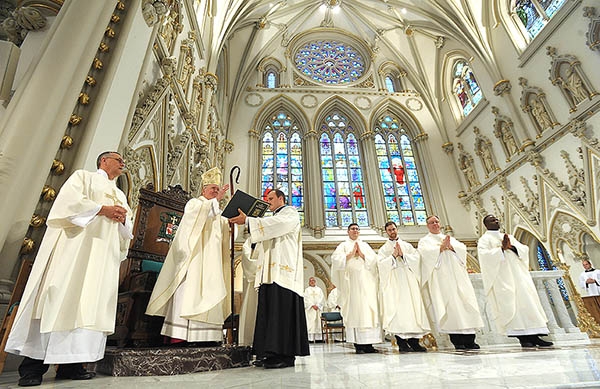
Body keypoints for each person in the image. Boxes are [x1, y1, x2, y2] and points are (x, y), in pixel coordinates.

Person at [5, 151, 133, 387]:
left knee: (87, 307)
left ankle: (72, 365)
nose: (121, 162)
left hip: (102, 257)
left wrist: (124, 219)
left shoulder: (120, 194)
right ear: (103, 161)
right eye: (117, 158)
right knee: (57, 300)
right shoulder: (83, 177)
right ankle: (32, 368)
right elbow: (67, 205)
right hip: (74, 252)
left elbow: (128, 229)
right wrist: (102, 210)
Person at [146, 167, 230, 343]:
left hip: (210, 262)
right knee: (188, 292)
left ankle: (206, 337)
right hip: (194, 259)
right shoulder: (195, 204)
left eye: (217, 188)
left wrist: (232, 223)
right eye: (212, 188)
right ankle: (180, 336)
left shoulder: (215, 210)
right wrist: (217, 201)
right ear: (203, 190)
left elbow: (223, 226)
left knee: (209, 291)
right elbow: (200, 215)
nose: (215, 191)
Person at [229, 189, 309, 368]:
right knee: (269, 313)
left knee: (281, 313)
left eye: (271, 198)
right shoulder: (270, 219)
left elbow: (277, 225)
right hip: (268, 273)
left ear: (281, 198)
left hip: (283, 272)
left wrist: (249, 221)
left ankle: (285, 356)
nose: (268, 201)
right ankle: (268, 353)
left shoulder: (290, 212)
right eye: (266, 199)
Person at [478, 215, 553, 348]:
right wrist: (501, 249)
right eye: (492, 220)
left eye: (496, 219)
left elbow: (524, 249)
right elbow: (484, 257)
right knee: (513, 307)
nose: (496, 221)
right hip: (503, 279)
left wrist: (511, 247)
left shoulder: (509, 236)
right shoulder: (484, 240)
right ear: (486, 224)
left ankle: (535, 336)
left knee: (528, 304)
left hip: (518, 276)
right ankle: (523, 339)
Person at [418, 215, 483, 350]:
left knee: (465, 305)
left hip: (458, 279)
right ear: (427, 226)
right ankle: (457, 341)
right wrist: (439, 248)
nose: (435, 224)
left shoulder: (451, 239)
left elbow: (462, 249)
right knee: (450, 308)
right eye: (431, 222)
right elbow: (424, 255)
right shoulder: (425, 241)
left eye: (436, 221)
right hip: (442, 281)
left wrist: (452, 248)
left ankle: (470, 340)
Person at [378, 221, 429, 352]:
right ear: (386, 232)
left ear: (397, 229)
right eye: (389, 230)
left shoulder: (407, 245)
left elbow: (417, 259)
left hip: (408, 280)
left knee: (413, 309)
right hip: (394, 282)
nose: (392, 232)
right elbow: (380, 265)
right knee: (397, 309)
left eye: (393, 229)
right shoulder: (384, 249)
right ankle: (401, 343)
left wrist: (404, 256)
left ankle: (415, 342)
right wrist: (393, 257)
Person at [331, 223, 382, 354]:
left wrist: (362, 254)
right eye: (353, 229)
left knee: (368, 310)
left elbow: (375, 260)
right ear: (348, 231)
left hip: (367, 282)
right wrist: (350, 255)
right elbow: (335, 260)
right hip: (351, 284)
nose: (355, 231)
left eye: (357, 229)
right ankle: (358, 345)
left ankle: (369, 344)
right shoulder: (343, 245)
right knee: (356, 310)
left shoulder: (365, 245)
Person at [239, 237, 259, 346]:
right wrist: (260, 267)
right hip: (254, 281)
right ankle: (250, 342)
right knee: (252, 309)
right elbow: (246, 256)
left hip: (270, 279)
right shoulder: (251, 240)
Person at [303, 277, 325, 342]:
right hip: (310, 309)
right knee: (311, 323)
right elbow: (306, 299)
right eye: (310, 281)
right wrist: (312, 305)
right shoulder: (307, 290)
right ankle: (310, 339)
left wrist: (318, 305)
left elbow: (322, 298)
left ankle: (319, 338)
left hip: (317, 309)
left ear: (315, 281)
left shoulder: (319, 290)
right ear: (309, 282)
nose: (312, 282)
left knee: (318, 323)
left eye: (313, 280)